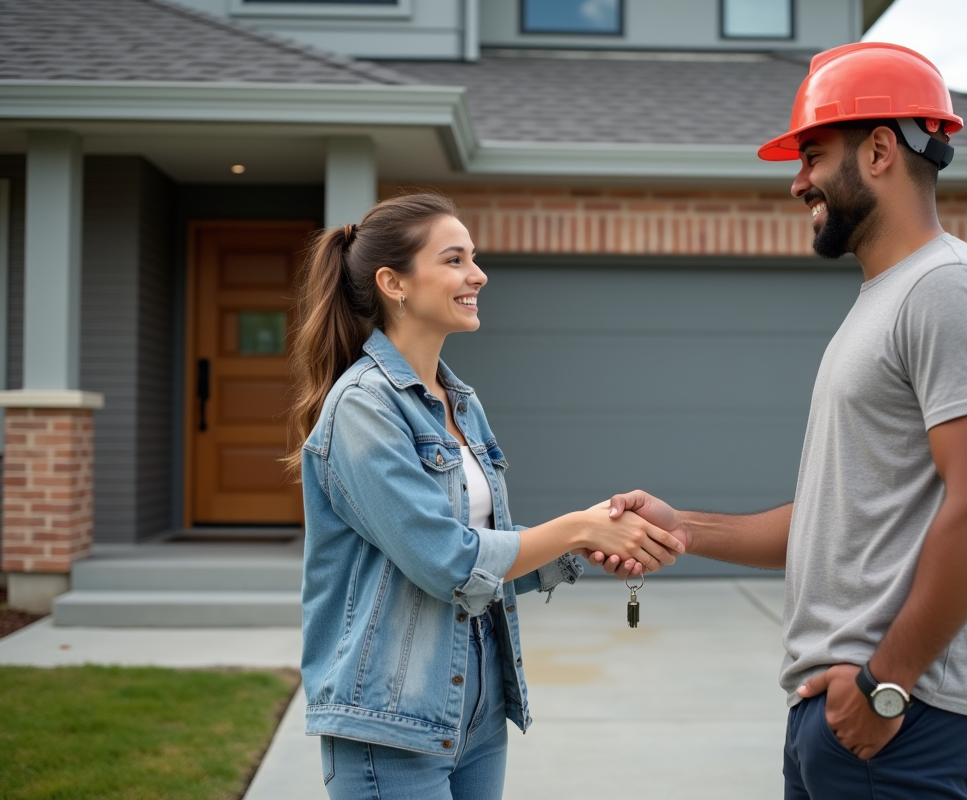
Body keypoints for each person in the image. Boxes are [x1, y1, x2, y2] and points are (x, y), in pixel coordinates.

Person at [594, 42, 967, 799]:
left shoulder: (948, 289)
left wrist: (886, 685)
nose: (798, 181)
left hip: (901, 714)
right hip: (843, 711)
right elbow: (839, 521)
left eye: (813, 156)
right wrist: (681, 527)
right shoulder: (888, 300)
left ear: (881, 150)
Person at [286, 192, 685, 800]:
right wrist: (579, 527)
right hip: (391, 721)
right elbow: (446, 560)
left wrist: (585, 544)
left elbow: (483, 553)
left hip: (475, 705)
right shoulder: (363, 407)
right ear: (394, 283)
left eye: (473, 257)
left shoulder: (460, 401)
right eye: (454, 260)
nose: (478, 274)